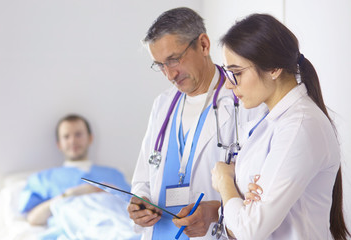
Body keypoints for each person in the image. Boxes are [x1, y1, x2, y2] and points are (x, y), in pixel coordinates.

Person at [128, 7, 265, 239]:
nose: (169, 75)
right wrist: (139, 203)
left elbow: (259, 192)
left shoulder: (243, 101)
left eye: (173, 60)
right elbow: (143, 178)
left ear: (203, 45)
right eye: (160, 65)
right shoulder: (162, 104)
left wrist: (215, 212)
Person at [211, 14, 349, 239]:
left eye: (236, 73)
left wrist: (225, 181)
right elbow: (238, 221)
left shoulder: (300, 128)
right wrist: (240, 197)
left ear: (273, 68)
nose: (227, 84)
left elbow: (249, 230)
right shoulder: (267, 122)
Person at [18, 114, 130, 226]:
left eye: (78, 134)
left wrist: (113, 192)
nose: (73, 141)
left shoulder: (114, 175)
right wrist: (70, 194)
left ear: (90, 138)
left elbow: (136, 208)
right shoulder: (44, 179)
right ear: (59, 144)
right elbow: (33, 218)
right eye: (66, 136)